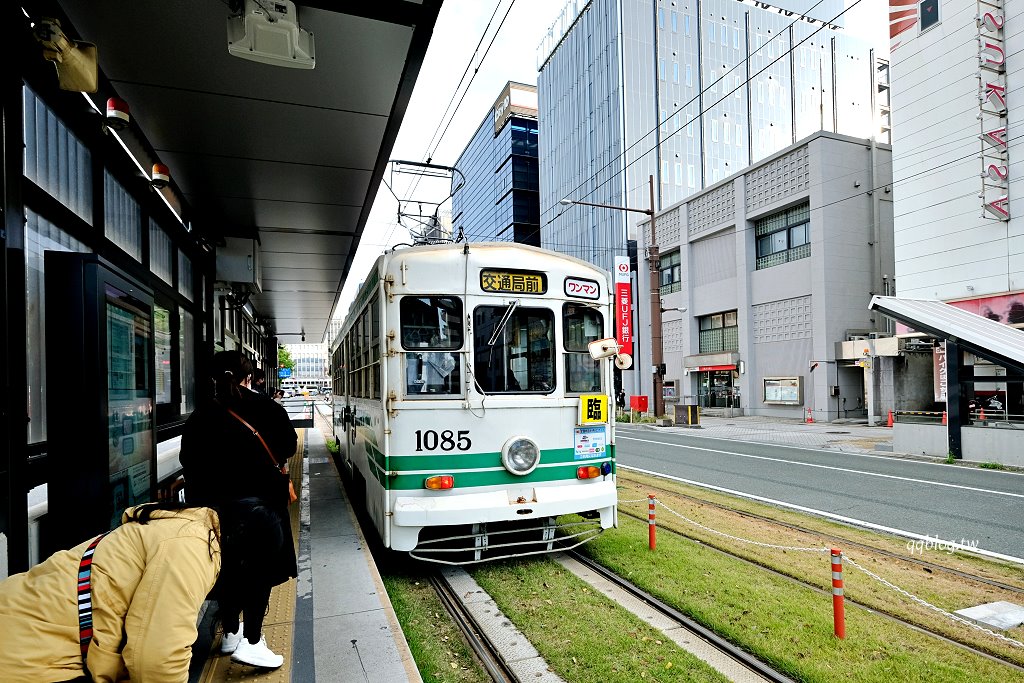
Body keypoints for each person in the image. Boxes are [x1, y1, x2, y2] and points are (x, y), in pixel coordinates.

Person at [0, 499, 283, 682]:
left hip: (22, 617)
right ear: (246, 553)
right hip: (31, 653)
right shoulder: (193, 549)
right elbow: (157, 662)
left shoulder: (187, 523)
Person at [179, 350, 298, 669]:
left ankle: (230, 631)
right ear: (249, 378)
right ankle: (254, 642)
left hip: (214, 511)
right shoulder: (266, 407)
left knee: (228, 567)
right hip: (262, 507)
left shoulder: (200, 415)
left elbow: (188, 461)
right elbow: (288, 446)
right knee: (259, 572)